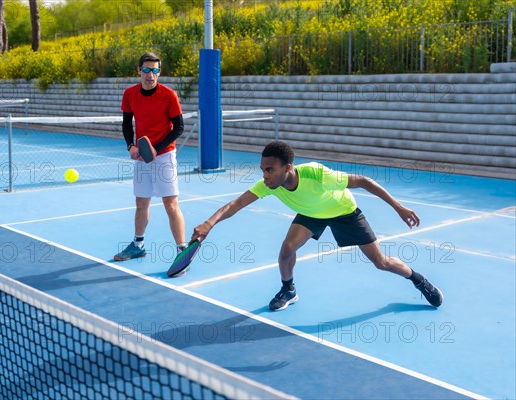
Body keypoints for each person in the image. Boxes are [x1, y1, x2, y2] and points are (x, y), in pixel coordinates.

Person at [191, 141, 443, 311]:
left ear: (287, 168)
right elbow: (235, 204)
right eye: (263, 170)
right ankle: (288, 290)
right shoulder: (269, 185)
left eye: (270, 170)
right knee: (286, 250)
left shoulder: (316, 174)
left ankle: (419, 280)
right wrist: (208, 223)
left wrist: (398, 207)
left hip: (343, 211)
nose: (265, 175)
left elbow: (364, 181)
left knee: (381, 262)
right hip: (312, 213)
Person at [114, 52, 186, 261]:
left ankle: (182, 252)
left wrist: (156, 148)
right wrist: (131, 146)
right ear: (139, 71)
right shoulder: (129, 94)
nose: (150, 75)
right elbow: (127, 123)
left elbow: (178, 127)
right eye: (146, 70)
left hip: (164, 156)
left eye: (155, 70)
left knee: (170, 204)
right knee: (141, 203)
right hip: (141, 157)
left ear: (159, 72)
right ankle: (138, 245)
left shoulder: (169, 95)